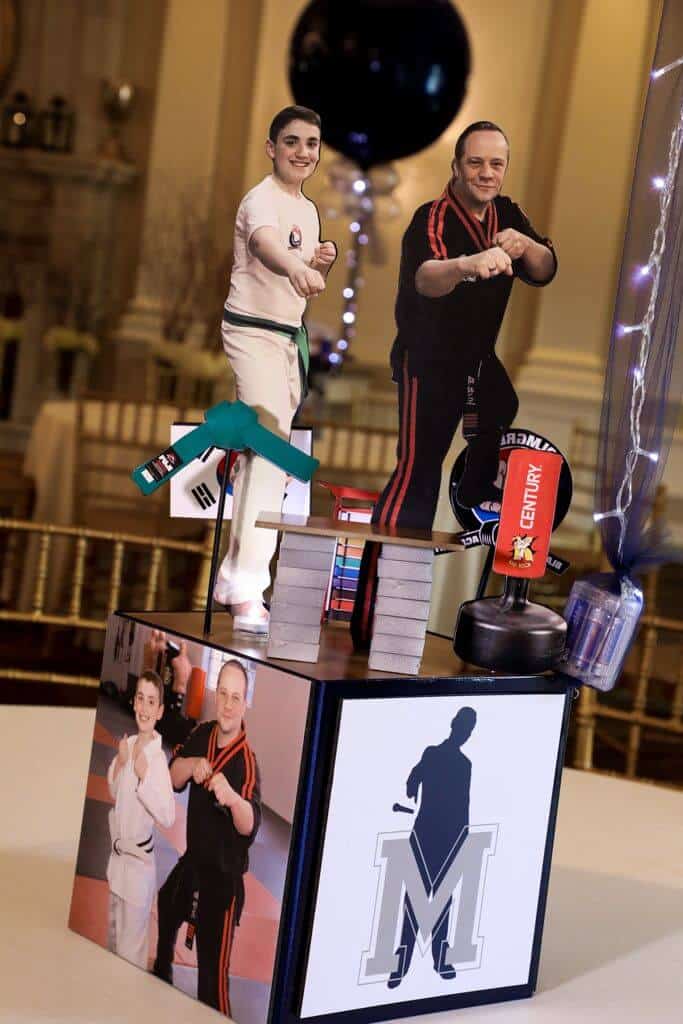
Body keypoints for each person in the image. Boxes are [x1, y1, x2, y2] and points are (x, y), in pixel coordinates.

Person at [351, 121, 557, 649]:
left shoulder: (506, 212)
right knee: (418, 470)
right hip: (428, 361)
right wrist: (468, 265)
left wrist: (525, 245)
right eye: (475, 163)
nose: (486, 173)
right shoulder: (433, 217)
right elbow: (426, 277)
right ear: (456, 167)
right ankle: (377, 600)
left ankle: (471, 488)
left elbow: (546, 266)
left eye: (496, 164)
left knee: (501, 402)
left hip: (476, 359)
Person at [213, 105, 336, 635]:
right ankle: (244, 589)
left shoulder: (306, 210)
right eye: (292, 142)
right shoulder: (259, 199)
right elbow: (266, 248)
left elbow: (293, 258)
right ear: (271, 147)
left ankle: (233, 578)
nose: (303, 152)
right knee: (269, 454)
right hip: (251, 333)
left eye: (311, 143)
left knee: (269, 463)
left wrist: (317, 262)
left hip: (286, 340)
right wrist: (298, 267)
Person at [153, 659, 261, 1016]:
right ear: (216, 694)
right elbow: (172, 777)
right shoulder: (203, 733)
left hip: (223, 881)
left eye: (237, 698)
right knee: (167, 904)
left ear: (245, 703)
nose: (228, 705)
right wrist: (193, 764)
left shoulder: (246, 761)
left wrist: (232, 799)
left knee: (211, 981)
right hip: (194, 862)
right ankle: (160, 980)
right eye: (224, 695)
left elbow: (249, 824)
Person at [388, 707, 477, 989]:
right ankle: (402, 963)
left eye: (469, 728)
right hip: (427, 835)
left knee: (442, 900)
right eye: (464, 726)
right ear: (455, 725)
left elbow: (463, 806)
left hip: (445, 837)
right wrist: (413, 785)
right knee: (415, 899)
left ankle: (437, 959)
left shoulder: (463, 764)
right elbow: (413, 778)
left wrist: (462, 840)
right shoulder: (434, 754)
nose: (465, 732)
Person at [106, 670, 175, 969]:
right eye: (141, 699)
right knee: (112, 945)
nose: (145, 708)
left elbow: (169, 817)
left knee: (129, 956)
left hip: (138, 871)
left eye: (152, 702)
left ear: (160, 711)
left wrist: (145, 776)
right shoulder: (128, 743)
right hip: (117, 863)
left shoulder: (158, 762)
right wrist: (121, 762)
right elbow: (113, 791)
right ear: (133, 702)